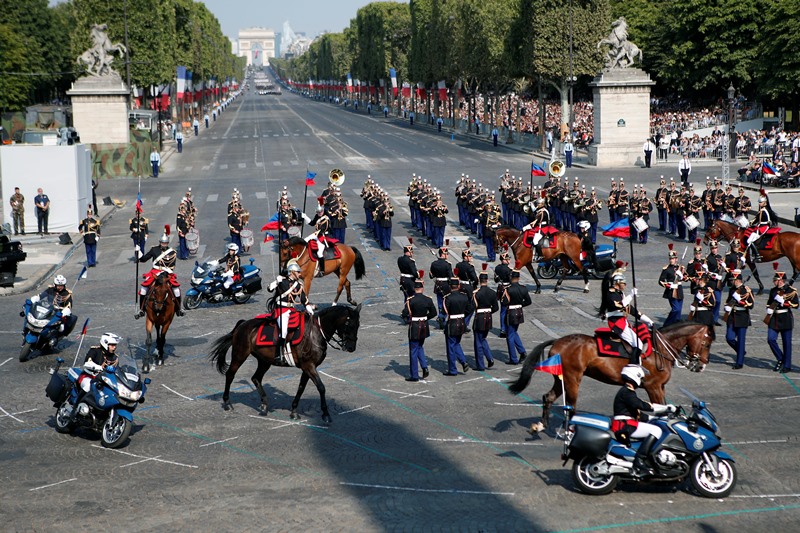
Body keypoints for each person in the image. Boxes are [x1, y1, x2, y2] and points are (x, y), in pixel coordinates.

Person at [612, 365, 677, 477]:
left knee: (655, 426)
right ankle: (640, 460)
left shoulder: (627, 391)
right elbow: (640, 405)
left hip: (626, 424)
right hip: (624, 425)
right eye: (641, 378)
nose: (642, 381)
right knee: (656, 430)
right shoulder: (627, 392)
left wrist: (654, 418)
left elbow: (638, 414)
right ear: (634, 376)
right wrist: (664, 408)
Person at [602, 269, 653, 365]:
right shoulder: (611, 294)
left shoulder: (619, 293)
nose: (625, 285)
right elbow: (620, 305)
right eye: (623, 283)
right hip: (617, 323)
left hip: (623, 322)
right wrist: (631, 295)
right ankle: (635, 366)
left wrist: (648, 321)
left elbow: (632, 311)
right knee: (638, 345)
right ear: (617, 283)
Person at [268, 259, 311, 365]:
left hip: (291, 310)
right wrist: (276, 281)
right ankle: (278, 354)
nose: (300, 274)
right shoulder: (282, 281)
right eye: (298, 272)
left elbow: (303, 300)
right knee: (283, 332)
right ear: (292, 272)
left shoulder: (298, 285)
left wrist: (310, 310)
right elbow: (269, 289)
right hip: (281, 310)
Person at [71, 333, 121, 420]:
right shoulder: (95, 351)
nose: (114, 347)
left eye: (115, 345)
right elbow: (87, 363)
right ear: (105, 344)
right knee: (87, 386)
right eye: (112, 345)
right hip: (89, 376)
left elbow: (118, 370)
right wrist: (99, 367)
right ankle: (75, 408)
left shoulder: (115, 358)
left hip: (103, 381)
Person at [136, 231, 184, 318]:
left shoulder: (172, 252)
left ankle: (178, 309)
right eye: (162, 243)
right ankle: (141, 310)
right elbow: (143, 259)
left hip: (167, 273)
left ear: (168, 243)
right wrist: (138, 252)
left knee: (176, 289)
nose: (164, 244)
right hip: (154, 272)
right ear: (160, 242)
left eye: (165, 243)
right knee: (143, 289)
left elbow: (172, 266)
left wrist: (165, 273)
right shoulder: (154, 250)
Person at [400, 276, 436, 381]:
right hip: (424, 325)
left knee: (413, 350)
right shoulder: (428, 299)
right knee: (420, 346)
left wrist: (408, 318)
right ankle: (424, 367)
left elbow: (404, 314)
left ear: (414, 288)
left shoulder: (410, 300)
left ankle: (414, 375)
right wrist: (425, 318)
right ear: (422, 288)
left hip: (415, 326)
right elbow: (433, 313)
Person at [765, 269, 797, 373]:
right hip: (774, 318)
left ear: (781, 280)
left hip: (785, 318)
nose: (774, 282)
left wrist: (783, 302)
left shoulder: (791, 290)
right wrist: (769, 309)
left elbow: (796, 304)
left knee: (786, 343)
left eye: (776, 280)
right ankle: (780, 358)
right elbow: (769, 302)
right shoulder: (773, 290)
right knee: (771, 339)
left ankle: (787, 365)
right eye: (774, 280)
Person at [500, 263, 531, 365]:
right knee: (514, 332)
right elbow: (528, 301)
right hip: (519, 312)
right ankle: (522, 352)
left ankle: (513, 358)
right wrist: (520, 304)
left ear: (511, 277)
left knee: (510, 336)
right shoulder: (523, 288)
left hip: (511, 313)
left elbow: (504, 302)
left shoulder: (508, 289)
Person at [443, 277, 474, 376]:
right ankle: (463, 361)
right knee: (456, 343)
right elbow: (469, 309)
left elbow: (444, 311)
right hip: (461, 322)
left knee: (451, 347)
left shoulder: (448, 297)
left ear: (450, 286)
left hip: (452, 322)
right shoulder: (464, 296)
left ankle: (452, 370)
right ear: (459, 286)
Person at [724, 270, 753, 369]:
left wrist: (740, 301)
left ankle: (739, 362)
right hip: (732, 316)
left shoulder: (746, 290)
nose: (732, 281)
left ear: (737, 280)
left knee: (741, 340)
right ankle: (741, 351)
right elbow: (728, 301)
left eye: (733, 280)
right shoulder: (732, 290)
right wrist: (727, 306)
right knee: (729, 337)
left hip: (742, 317)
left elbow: (751, 304)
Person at [472, 268, 498, 370]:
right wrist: (488, 312)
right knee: (483, 339)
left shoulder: (476, 293)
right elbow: (496, 307)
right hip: (488, 317)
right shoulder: (492, 292)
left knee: (478, 341)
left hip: (480, 318)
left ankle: (480, 365)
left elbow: (472, 306)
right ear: (487, 280)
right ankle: (490, 358)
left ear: (479, 280)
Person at [658, 245, 684, 327]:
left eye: (673, 258)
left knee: (679, 311)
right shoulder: (666, 269)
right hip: (671, 291)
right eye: (670, 258)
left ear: (676, 259)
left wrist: (682, 276)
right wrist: (669, 285)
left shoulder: (680, 268)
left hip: (679, 290)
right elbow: (660, 281)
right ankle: (667, 324)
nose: (671, 260)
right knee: (675, 309)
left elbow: (686, 278)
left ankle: (676, 325)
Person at [429, 246, 454, 329]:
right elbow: (451, 277)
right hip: (446, 285)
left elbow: (431, 275)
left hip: (438, 284)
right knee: (446, 303)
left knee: (440, 302)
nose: (447, 255)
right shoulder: (448, 264)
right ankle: (442, 317)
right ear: (444, 254)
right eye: (446, 254)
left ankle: (441, 318)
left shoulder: (434, 263)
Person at [304, 202, 330, 277]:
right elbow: (312, 223)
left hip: (323, 236)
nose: (319, 213)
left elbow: (323, 229)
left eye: (320, 212)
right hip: (317, 234)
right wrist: (305, 217)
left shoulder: (326, 219)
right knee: (305, 240)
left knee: (319, 253)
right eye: (318, 212)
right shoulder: (317, 216)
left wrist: (316, 234)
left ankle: (322, 270)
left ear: (323, 211)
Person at [746, 194, 774, 262]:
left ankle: (757, 255)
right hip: (762, 226)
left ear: (764, 203)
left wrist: (750, 223)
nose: (759, 203)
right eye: (759, 202)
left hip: (763, 227)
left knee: (749, 240)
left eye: (760, 202)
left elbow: (757, 219)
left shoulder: (763, 211)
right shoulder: (763, 210)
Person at [494, 251, 513, 338]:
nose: (508, 261)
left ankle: (502, 329)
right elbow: (511, 280)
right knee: (508, 310)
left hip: (500, 289)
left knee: (503, 311)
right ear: (503, 260)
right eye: (507, 259)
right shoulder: (508, 269)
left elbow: (496, 280)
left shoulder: (497, 268)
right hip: (508, 289)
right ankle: (507, 328)